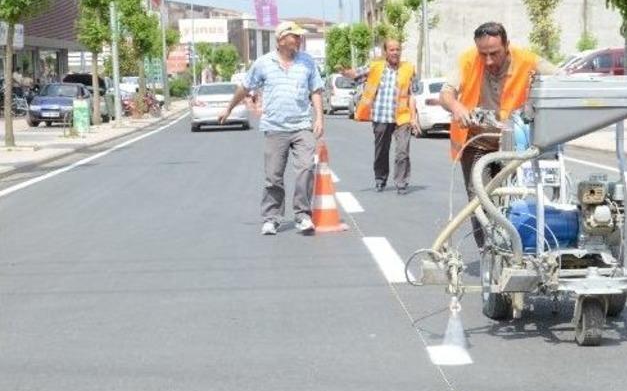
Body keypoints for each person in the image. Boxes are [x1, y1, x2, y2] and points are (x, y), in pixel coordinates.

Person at [439, 22, 558, 248]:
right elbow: (446, 93)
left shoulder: (527, 61)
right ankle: (488, 251)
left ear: (507, 46)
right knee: (480, 202)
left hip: (513, 145)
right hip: (477, 144)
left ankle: (515, 250)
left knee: (514, 200)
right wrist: (457, 107)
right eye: (483, 54)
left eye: (494, 53)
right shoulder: (467, 60)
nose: (488, 61)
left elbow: (562, 78)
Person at [218, 20, 324, 236]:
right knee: (273, 176)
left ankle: (302, 215)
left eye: (300, 36)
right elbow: (245, 87)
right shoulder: (263, 63)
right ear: (281, 39)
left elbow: (315, 90)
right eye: (295, 36)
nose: (299, 39)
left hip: (302, 126)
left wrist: (319, 118)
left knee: (306, 169)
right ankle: (272, 218)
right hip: (275, 128)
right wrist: (228, 108)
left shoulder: (307, 62)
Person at [341, 39, 420, 195]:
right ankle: (380, 178)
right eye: (392, 50)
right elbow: (355, 74)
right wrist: (346, 72)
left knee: (403, 152)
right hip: (381, 115)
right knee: (381, 150)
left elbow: (412, 95)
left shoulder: (408, 68)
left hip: (402, 117)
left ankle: (401, 183)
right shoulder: (375, 67)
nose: (395, 53)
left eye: (397, 49)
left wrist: (413, 117)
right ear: (385, 52)